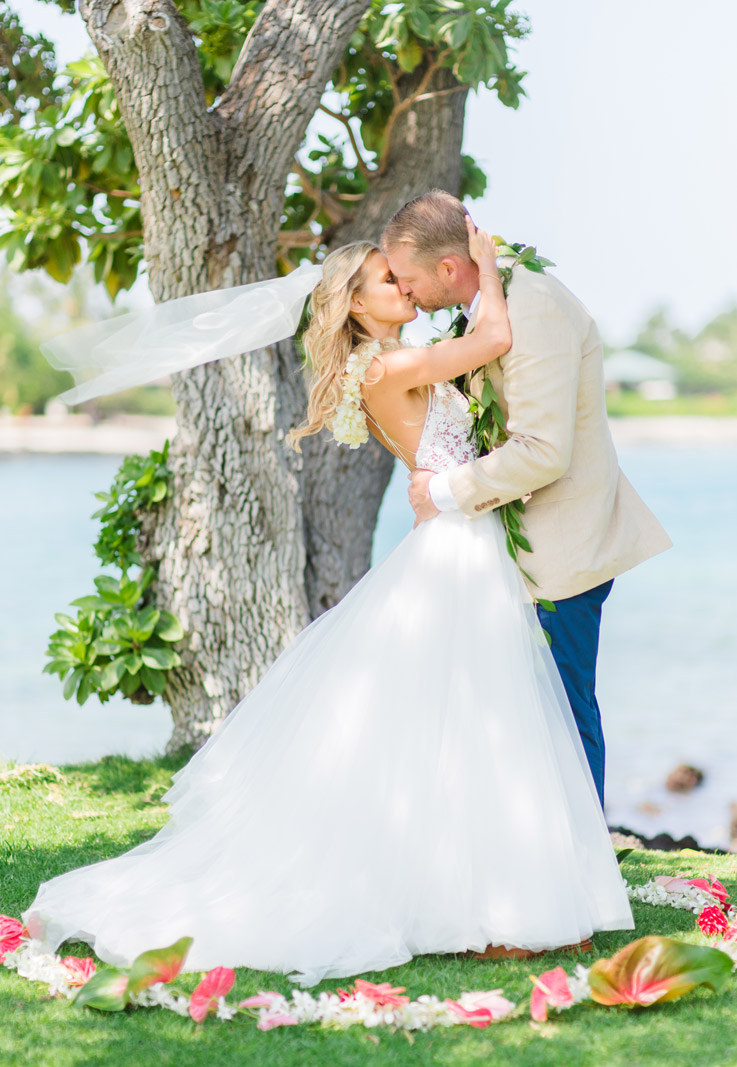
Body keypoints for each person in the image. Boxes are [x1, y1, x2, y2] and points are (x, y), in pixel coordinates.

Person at [24, 222, 635, 987]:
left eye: (403, 278)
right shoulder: (387, 366)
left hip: (460, 538)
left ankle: (491, 887)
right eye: (389, 282)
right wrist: (484, 260)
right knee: (484, 714)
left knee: (470, 720)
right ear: (353, 304)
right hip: (458, 550)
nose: (405, 289)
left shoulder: (380, 365)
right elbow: (497, 333)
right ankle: (497, 898)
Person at [382, 191, 672, 807]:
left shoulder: (532, 306)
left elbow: (542, 451)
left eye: (407, 280)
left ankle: (585, 864)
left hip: (560, 551)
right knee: (522, 720)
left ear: (448, 269)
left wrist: (440, 491)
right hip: (512, 552)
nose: (403, 293)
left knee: (563, 718)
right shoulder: (492, 301)